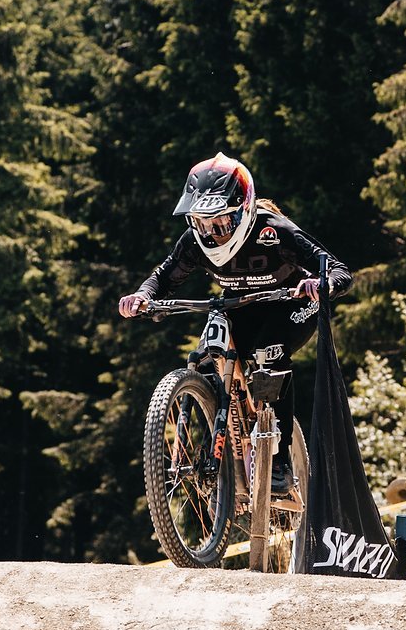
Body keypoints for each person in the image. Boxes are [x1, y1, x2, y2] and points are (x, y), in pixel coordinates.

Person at [119, 152, 352, 493]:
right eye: (201, 223)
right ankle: (218, 456)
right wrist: (141, 296)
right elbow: (164, 277)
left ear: (243, 210)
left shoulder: (273, 229)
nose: (212, 234)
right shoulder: (194, 243)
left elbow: (339, 269)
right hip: (236, 307)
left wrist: (321, 284)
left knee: (268, 352)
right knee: (202, 359)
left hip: (288, 305)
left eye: (220, 223)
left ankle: (282, 457)